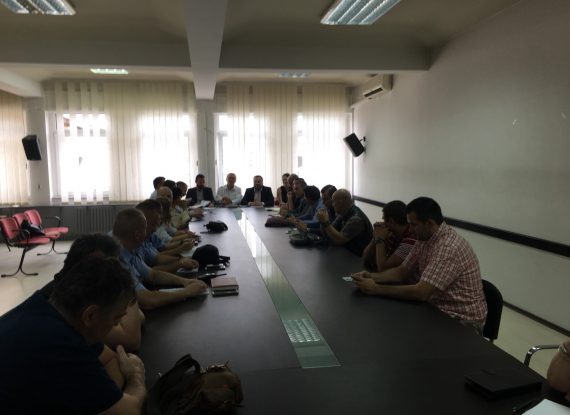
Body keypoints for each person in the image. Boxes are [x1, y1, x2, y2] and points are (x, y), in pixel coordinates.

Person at [0, 257, 146, 414]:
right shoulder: (61, 344)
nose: (116, 325)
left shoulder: (47, 306)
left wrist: (99, 397)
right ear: (90, 315)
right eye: (116, 319)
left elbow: (110, 359)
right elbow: (130, 410)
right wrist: (135, 377)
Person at [352, 197, 487, 332]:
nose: (410, 229)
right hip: (436, 308)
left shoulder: (448, 247)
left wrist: (375, 289)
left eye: (413, 224)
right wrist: (371, 276)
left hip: (462, 321)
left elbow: (421, 292)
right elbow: (402, 271)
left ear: (429, 223)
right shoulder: (424, 239)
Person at [40, 234, 144, 352]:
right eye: (108, 268)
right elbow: (130, 339)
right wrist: (125, 286)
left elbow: (140, 317)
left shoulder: (85, 289)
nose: (116, 272)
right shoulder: (66, 303)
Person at [113, 208, 208, 310]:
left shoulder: (130, 248)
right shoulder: (117, 259)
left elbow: (153, 275)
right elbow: (147, 300)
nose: (152, 231)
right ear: (137, 235)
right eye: (145, 229)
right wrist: (187, 292)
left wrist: (185, 281)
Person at [361, 200, 417, 271]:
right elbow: (366, 258)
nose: (383, 223)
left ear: (391, 221)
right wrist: (375, 237)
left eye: (384, 219)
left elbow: (382, 268)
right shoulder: (391, 233)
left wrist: (380, 239)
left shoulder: (411, 240)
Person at [316, 188, 373, 256]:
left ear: (341, 203)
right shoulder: (342, 213)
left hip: (357, 257)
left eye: (333, 201)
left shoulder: (356, 219)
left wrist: (326, 222)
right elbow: (328, 234)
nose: (332, 205)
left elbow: (339, 240)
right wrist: (322, 221)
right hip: (345, 252)